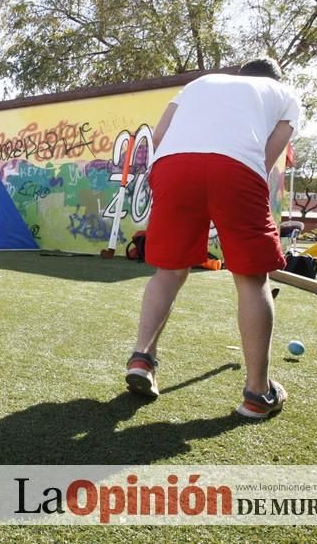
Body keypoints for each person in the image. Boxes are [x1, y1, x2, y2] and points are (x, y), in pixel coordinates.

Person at [125, 57, 300, 420]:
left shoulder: (201, 83)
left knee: (168, 271)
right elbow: (268, 157)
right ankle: (258, 393)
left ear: (241, 74)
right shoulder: (285, 94)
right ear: (274, 78)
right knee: (252, 279)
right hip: (236, 169)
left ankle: (142, 358)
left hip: (172, 166)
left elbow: (158, 138)